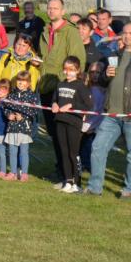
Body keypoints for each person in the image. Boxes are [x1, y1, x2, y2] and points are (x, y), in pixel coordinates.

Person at [83, 23, 131, 198]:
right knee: (98, 147)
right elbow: (102, 83)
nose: (127, 36)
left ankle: (129, 189)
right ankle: (95, 187)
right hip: (111, 114)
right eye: (124, 33)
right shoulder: (113, 56)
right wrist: (105, 75)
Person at [37, 0, 85, 181]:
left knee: (65, 134)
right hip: (46, 86)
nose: (51, 11)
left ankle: (70, 174)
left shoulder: (71, 32)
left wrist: (68, 85)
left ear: (63, 11)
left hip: (63, 87)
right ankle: (60, 169)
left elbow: (78, 60)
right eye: (49, 8)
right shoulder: (45, 31)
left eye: (55, 8)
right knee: (53, 132)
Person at [50, 56, 92, 193]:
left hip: (74, 122)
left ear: (77, 70)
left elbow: (88, 105)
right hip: (60, 121)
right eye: (66, 69)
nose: (68, 72)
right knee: (64, 152)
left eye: (71, 69)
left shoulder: (81, 86)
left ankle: (77, 182)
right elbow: (54, 99)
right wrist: (54, 104)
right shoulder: (60, 84)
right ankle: (68, 181)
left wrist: (71, 105)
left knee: (73, 153)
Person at [1, 71, 38, 182]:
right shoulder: (11, 94)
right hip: (12, 127)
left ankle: (24, 173)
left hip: (24, 129)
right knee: (12, 152)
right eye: (19, 80)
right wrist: (9, 115)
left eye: (24, 81)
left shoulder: (32, 96)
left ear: (29, 83)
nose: (21, 83)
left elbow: (34, 111)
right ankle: (13, 172)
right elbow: (6, 107)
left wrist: (23, 117)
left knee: (24, 152)